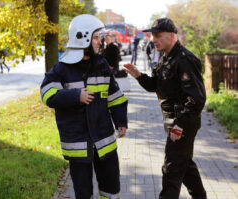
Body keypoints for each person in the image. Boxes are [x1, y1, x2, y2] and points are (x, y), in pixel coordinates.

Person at [40, 14, 128, 199]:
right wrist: (75, 96)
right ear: (83, 38)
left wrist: (121, 121)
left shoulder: (102, 64)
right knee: (83, 192)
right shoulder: (62, 68)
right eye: (96, 38)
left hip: (104, 141)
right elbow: (47, 94)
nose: (99, 42)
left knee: (111, 188)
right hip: (78, 144)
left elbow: (115, 97)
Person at [124, 18, 207, 199]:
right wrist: (138, 75)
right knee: (185, 166)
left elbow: (197, 99)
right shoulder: (165, 56)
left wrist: (179, 125)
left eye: (158, 35)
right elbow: (155, 85)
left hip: (183, 123)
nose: (154, 39)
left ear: (172, 36)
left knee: (171, 169)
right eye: (153, 35)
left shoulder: (185, 60)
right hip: (171, 120)